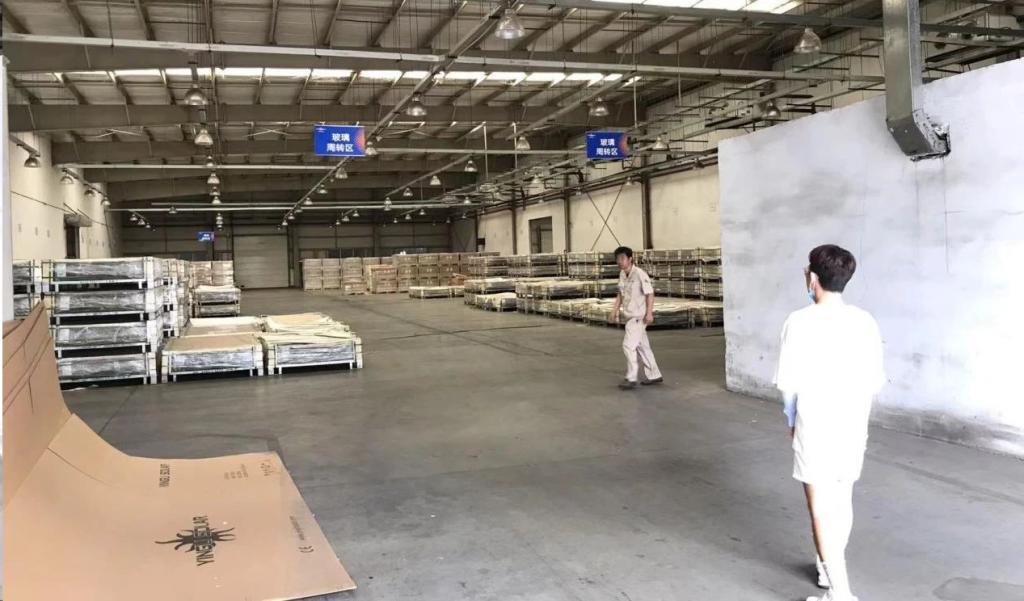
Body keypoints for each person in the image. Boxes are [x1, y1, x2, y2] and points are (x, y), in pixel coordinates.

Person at [774, 244, 885, 601]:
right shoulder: (864, 321)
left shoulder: (799, 321)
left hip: (816, 424)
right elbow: (874, 381)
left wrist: (792, 421)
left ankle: (841, 592)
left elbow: (788, 385)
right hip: (853, 424)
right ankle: (828, 567)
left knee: (820, 508)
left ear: (812, 278)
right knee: (842, 498)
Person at [611, 246, 663, 389]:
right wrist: (614, 310)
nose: (620, 261)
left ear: (630, 259)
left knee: (628, 346)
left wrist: (649, 313)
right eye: (617, 259)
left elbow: (650, 294)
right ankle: (654, 374)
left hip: (638, 317)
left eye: (622, 258)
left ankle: (631, 377)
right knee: (642, 347)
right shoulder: (622, 274)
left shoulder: (640, 274)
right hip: (630, 315)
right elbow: (621, 294)